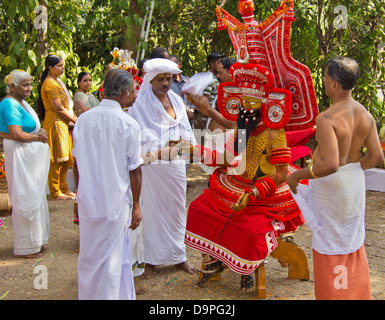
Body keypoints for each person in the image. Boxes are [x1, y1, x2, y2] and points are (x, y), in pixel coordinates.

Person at [287, 57, 384, 300]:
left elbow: (330, 164)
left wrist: (297, 176)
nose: (323, 81)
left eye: (326, 77)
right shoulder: (365, 114)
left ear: (336, 85)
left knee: (331, 245)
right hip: (352, 183)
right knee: (350, 242)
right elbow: (376, 156)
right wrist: (351, 172)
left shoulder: (326, 118)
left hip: (332, 188)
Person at [73, 68, 143, 300]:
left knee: (90, 258)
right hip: (115, 201)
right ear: (123, 93)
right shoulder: (128, 124)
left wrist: (78, 195)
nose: (134, 96)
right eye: (133, 92)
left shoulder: (83, 120)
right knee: (113, 261)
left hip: (89, 200)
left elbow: (77, 163)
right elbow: (135, 170)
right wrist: (137, 206)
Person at [127, 58, 196, 279]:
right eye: (160, 79)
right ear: (150, 80)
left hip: (175, 163)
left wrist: (184, 147)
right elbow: (136, 134)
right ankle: (150, 260)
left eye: (168, 78)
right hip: (151, 164)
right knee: (151, 211)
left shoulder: (176, 100)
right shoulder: (140, 103)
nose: (165, 83)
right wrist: (159, 149)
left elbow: (185, 130)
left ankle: (178, 255)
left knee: (176, 208)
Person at [0, 70, 50, 258]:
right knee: (24, 197)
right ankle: (25, 246)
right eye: (24, 85)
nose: (29, 88)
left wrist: (39, 134)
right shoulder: (9, 104)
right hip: (20, 156)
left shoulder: (21, 103)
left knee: (34, 197)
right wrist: (38, 136)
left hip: (28, 157)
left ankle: (36, 241)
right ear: (12, 86)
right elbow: (16, 134)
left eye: (30, 84)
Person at [37, 54, 77, 200]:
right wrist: (76, 120)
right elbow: (59, 108)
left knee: (65, 158)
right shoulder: (50, 84)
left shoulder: (57, 81)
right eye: (59, 66)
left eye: (62, 66)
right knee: (55, 158)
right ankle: (55, 191)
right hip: (54, 123)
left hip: (62, 124)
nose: (62, 68)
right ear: (50, 68)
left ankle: (64, 187)